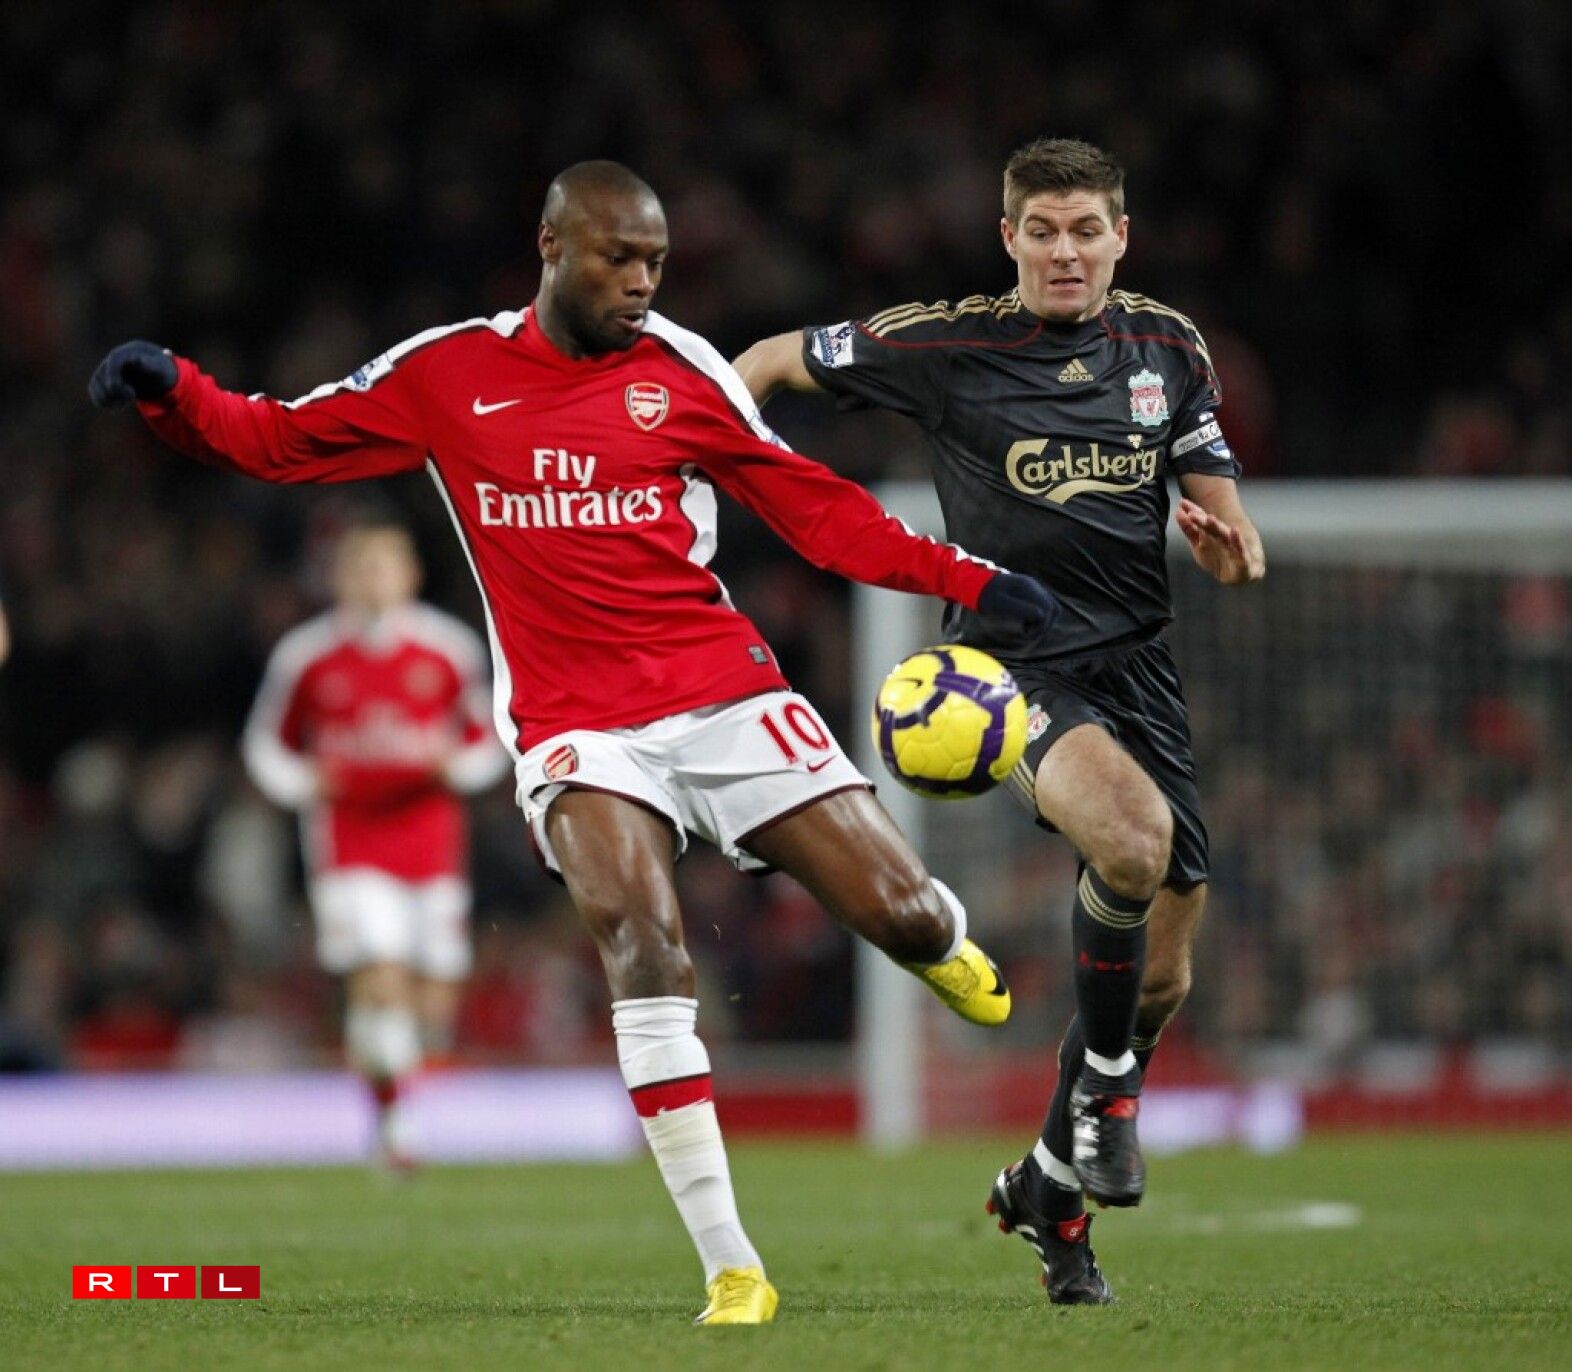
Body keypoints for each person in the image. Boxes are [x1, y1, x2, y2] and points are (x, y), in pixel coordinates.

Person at [89, 159, 1059, 1326]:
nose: (644, 283)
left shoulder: (685, 372)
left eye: (657, 263)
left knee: (897, 913)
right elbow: (278, 440)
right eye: (621, 258)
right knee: (642, 942)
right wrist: (175, 390)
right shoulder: (446, 372)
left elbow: (815, 509)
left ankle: (937, 937)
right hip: (575, 724)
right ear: (551, 247)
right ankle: (733, 1266)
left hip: (723, 691)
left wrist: (970, 580)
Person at [733, 136, 1266, 1304]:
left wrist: (1230, 548)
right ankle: (1109, 1095)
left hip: (1139, 672)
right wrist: (710, 458)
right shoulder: (944, 344)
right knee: (1132, 842)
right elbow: (768, 359)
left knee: (1162, 977)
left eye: (1087, 230)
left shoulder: (1168, 347)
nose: (1065, 251)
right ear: (1009, 237)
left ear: (1120, 237)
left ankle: (1050, 1189)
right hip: (1006, 667)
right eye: (1043, 230)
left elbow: (1227, 523)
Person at [242, 520, 508, 1169]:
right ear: (339, 578)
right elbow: (266, 743)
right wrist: (303, 781)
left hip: (432, 841)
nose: (372, 579)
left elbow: (492, 734)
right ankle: (396, 1126)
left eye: (385, 565)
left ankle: (391, 1096)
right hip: (349, 841)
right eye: (360, 567)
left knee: (432, 1003)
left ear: (410, 575)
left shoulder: (448, 649)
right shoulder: (308, 655)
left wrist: (459, 768)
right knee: (380, 975)